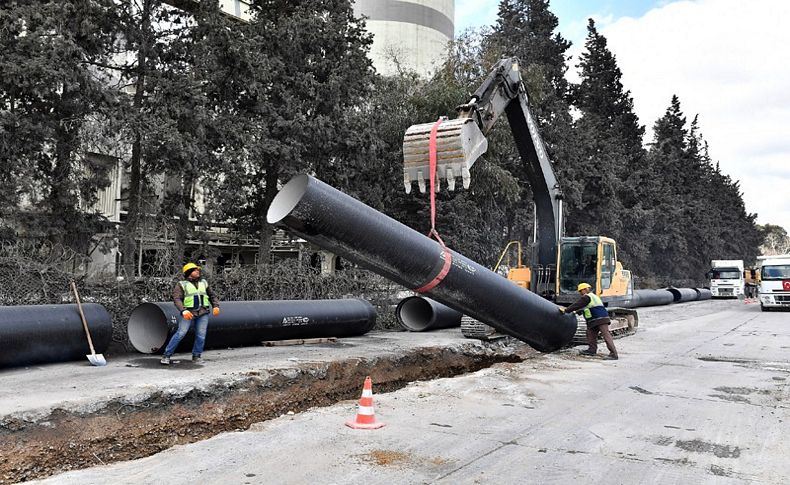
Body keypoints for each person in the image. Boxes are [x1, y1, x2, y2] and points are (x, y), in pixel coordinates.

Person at [160, 263, 220, 365]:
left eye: (198, 270)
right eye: (195, 270)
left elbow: (212, 295)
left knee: (201, 335)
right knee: (180, 333)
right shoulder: (181, 284)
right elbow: (177, 299)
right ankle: (166, 355)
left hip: (203, 312)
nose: (198, 271)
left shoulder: (204, 282)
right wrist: (183, 310)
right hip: (188, 313)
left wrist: (216, 306)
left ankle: (196, 356)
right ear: (189, 273)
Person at [560, 282, 618, 360]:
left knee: (606, 335)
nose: (580, 293)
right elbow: (586, 308)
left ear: (585, 289)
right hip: (595, 320)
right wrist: (576, 312)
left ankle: (614, 354)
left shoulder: (586, 297)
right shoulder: (594, 296)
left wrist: (566, 310)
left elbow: (577, 305)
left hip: (600, 318)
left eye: (581, 291)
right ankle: (592, 350)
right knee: (590, 334)